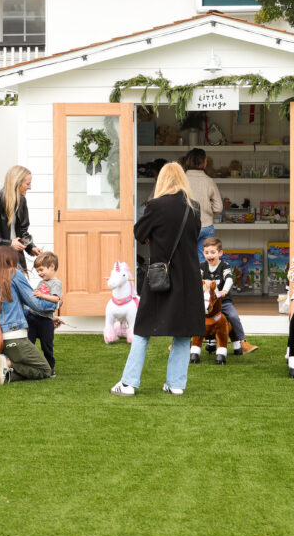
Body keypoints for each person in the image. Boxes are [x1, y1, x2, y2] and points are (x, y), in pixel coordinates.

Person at [111, 162, 205, 396]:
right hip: (189, 278)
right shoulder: (193, 208)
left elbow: (139, 233)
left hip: (160, 276)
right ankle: (176, 385)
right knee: (183, 330)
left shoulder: (156, 205)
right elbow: (193, 237)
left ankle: (129, 383)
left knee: (143, 328)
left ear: (162, 180)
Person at [0, 245, 57, 385]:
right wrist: (55, 303)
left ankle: (6, 372)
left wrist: (46, 316)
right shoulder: (13, 274)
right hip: (14, 336)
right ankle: (7, 363)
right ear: (10, 260)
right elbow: (34, 303)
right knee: (44, 369)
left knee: (26, 363)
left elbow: (16, 308)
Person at [200, 237, 258, 357]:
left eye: (213, 252)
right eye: (206, 252)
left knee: (233, 316)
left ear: (220, 253)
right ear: (203, 253)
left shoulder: (224, 266)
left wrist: (224, 290)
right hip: (206, 302)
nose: (209, 255)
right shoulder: (202, 267)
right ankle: (182, 341)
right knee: (190, 314)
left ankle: (243, 342)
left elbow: (229, 279)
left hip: (223, 301)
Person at [182, 148, 223, 262]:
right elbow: (218, 207)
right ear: (204, 163)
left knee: (186, 260)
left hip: (186, 226)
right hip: (206, 226)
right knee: (204, 261)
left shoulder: (181, 180)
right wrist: (206, 205)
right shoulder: (209, 181)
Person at [26, 251, 63, 375]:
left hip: (45, 321)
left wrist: (42, 295)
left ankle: (50, 368)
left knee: (47, 345)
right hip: (32, 318)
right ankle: (29, 365)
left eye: (41, 270)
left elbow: (56, 299)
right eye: (38, 271)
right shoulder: (41, 282)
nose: (39, 273)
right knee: (29, 343)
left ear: (52, 266)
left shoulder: (56, 283)